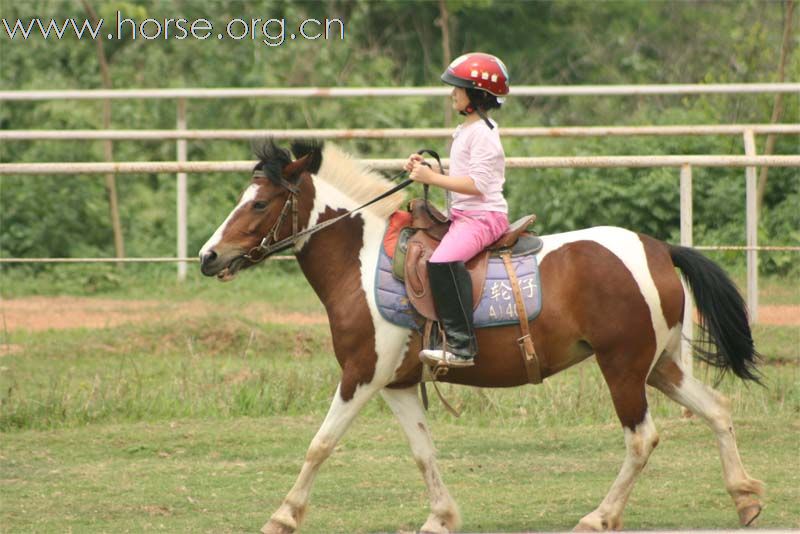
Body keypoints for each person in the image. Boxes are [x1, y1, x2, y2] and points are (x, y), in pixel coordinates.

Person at [404, 52, 510, 368]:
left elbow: (477, 184)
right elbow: (461, 173)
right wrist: (427, 167)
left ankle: (462, 347)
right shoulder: (467, 129)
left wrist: (432, 178)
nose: (452, 93)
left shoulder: (483, 135)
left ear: (475, 95)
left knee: (442, 261)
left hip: (482, 217)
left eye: (458, 88)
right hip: (464, 216)